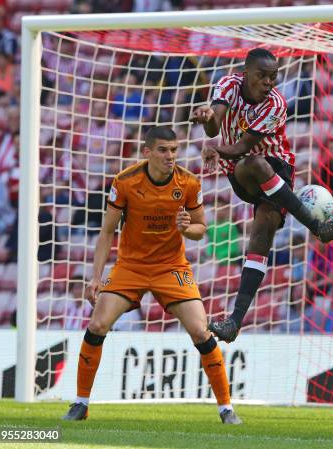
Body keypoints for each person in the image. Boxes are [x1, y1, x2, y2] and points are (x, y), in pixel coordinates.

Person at [62, 126, 241, 424]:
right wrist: (96, 277)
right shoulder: (125, 182)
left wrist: (187, 228)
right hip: (130, 266)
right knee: (97, 323)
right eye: (163, 150)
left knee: (200, 330)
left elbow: (200, 230)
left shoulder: (189, 183)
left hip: (171, 267)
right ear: (147, 152)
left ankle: (226, 408)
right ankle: (80, 403)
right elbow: (107, 231)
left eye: (174, 150)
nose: (170, 156)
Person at [192, 48, 333, 343]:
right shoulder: (227, 85)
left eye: (273, 76)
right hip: (240, 172)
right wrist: (207, 116)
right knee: (253, 165)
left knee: (260, 238)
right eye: (262, 76)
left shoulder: (276, 104)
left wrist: (214, 148)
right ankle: (317, 228)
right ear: (246, 73)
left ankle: (234, 323)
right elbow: (215, 125)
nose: (268, 82)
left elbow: (240, 146)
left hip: (278, 168)